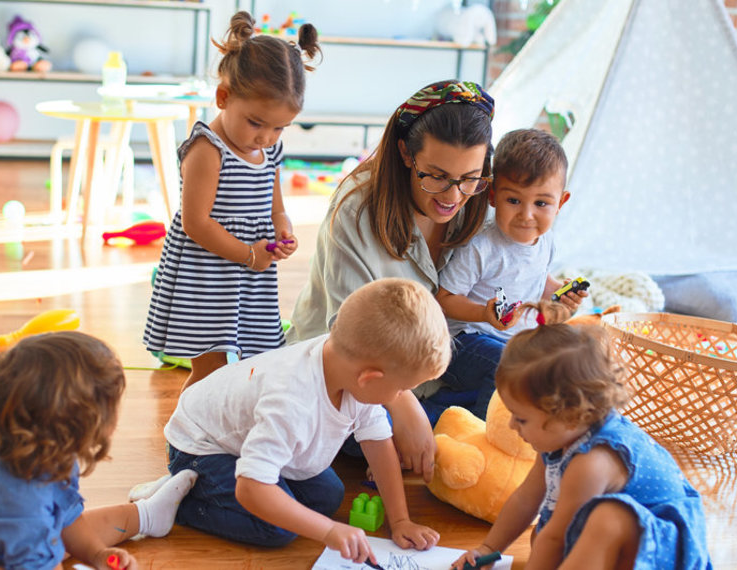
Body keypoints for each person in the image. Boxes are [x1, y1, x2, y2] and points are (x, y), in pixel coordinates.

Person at [287, 79, 496, 481]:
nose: (453, 196)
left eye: (470, 177)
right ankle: (434, 441)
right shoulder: (356, 209)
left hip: (431, 368)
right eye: (435, 176)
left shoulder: (478, 198)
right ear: (405, 152)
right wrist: (403, 405)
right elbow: (348, 342)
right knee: (354, 421)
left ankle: (426, 443)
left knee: (516, 374)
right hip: (360, 374)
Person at [161, 278, 446, 565]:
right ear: (369, 378)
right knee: (276, 528)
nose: (400, 397)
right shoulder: (292, 402)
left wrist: (400, 521)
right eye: (401, 390)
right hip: (199, 447)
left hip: (242, 435)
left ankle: (235, 478)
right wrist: (330, 530)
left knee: (328, 496)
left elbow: (378, 443)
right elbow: (250, 488)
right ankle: (176, 500)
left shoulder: (348, 365)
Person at [0, 332, 198, 570]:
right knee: (44, 542)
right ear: (81, 425)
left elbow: (69, 517)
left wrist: (98, 554)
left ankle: (147, 515)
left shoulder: (45, 450)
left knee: (60, 533)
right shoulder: (20, 501)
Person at [449, 304, 711, 570]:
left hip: (665, 553)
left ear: (569, 413)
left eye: (522, 418)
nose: (512, 425)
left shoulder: (592, 461)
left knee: (596, 522)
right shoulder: (560, 438)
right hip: (622, 543)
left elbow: (558, 538)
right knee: (542, 535)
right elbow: (525, 500)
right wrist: (489, 549)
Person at [144, 11, 320, 389]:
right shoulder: (209, 149)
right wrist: (248, 253)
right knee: (210, 368)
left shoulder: (270, 150)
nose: (266, 137)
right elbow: (196, 223)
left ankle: (227, 423)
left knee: (255, 363)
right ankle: (187, 437)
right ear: (223, 97)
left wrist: (283, 230)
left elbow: (276, 206)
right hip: (206, 274)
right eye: (256, 122)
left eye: (279, 127)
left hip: (250, 274)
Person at [433, 128, 586, 422]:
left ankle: (454, 406)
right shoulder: (483, 246)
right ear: (493, 196)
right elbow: (444, 298)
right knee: (508, 366)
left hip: (515, 342)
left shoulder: (547, 241)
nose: (526, 215)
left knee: (563, 361)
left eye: (541, 203)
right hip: (464, 340)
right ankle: (481, 435)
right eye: (514, 201)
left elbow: (538, 281)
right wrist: (483, 313)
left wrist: (560, 295)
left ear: (561, 203)